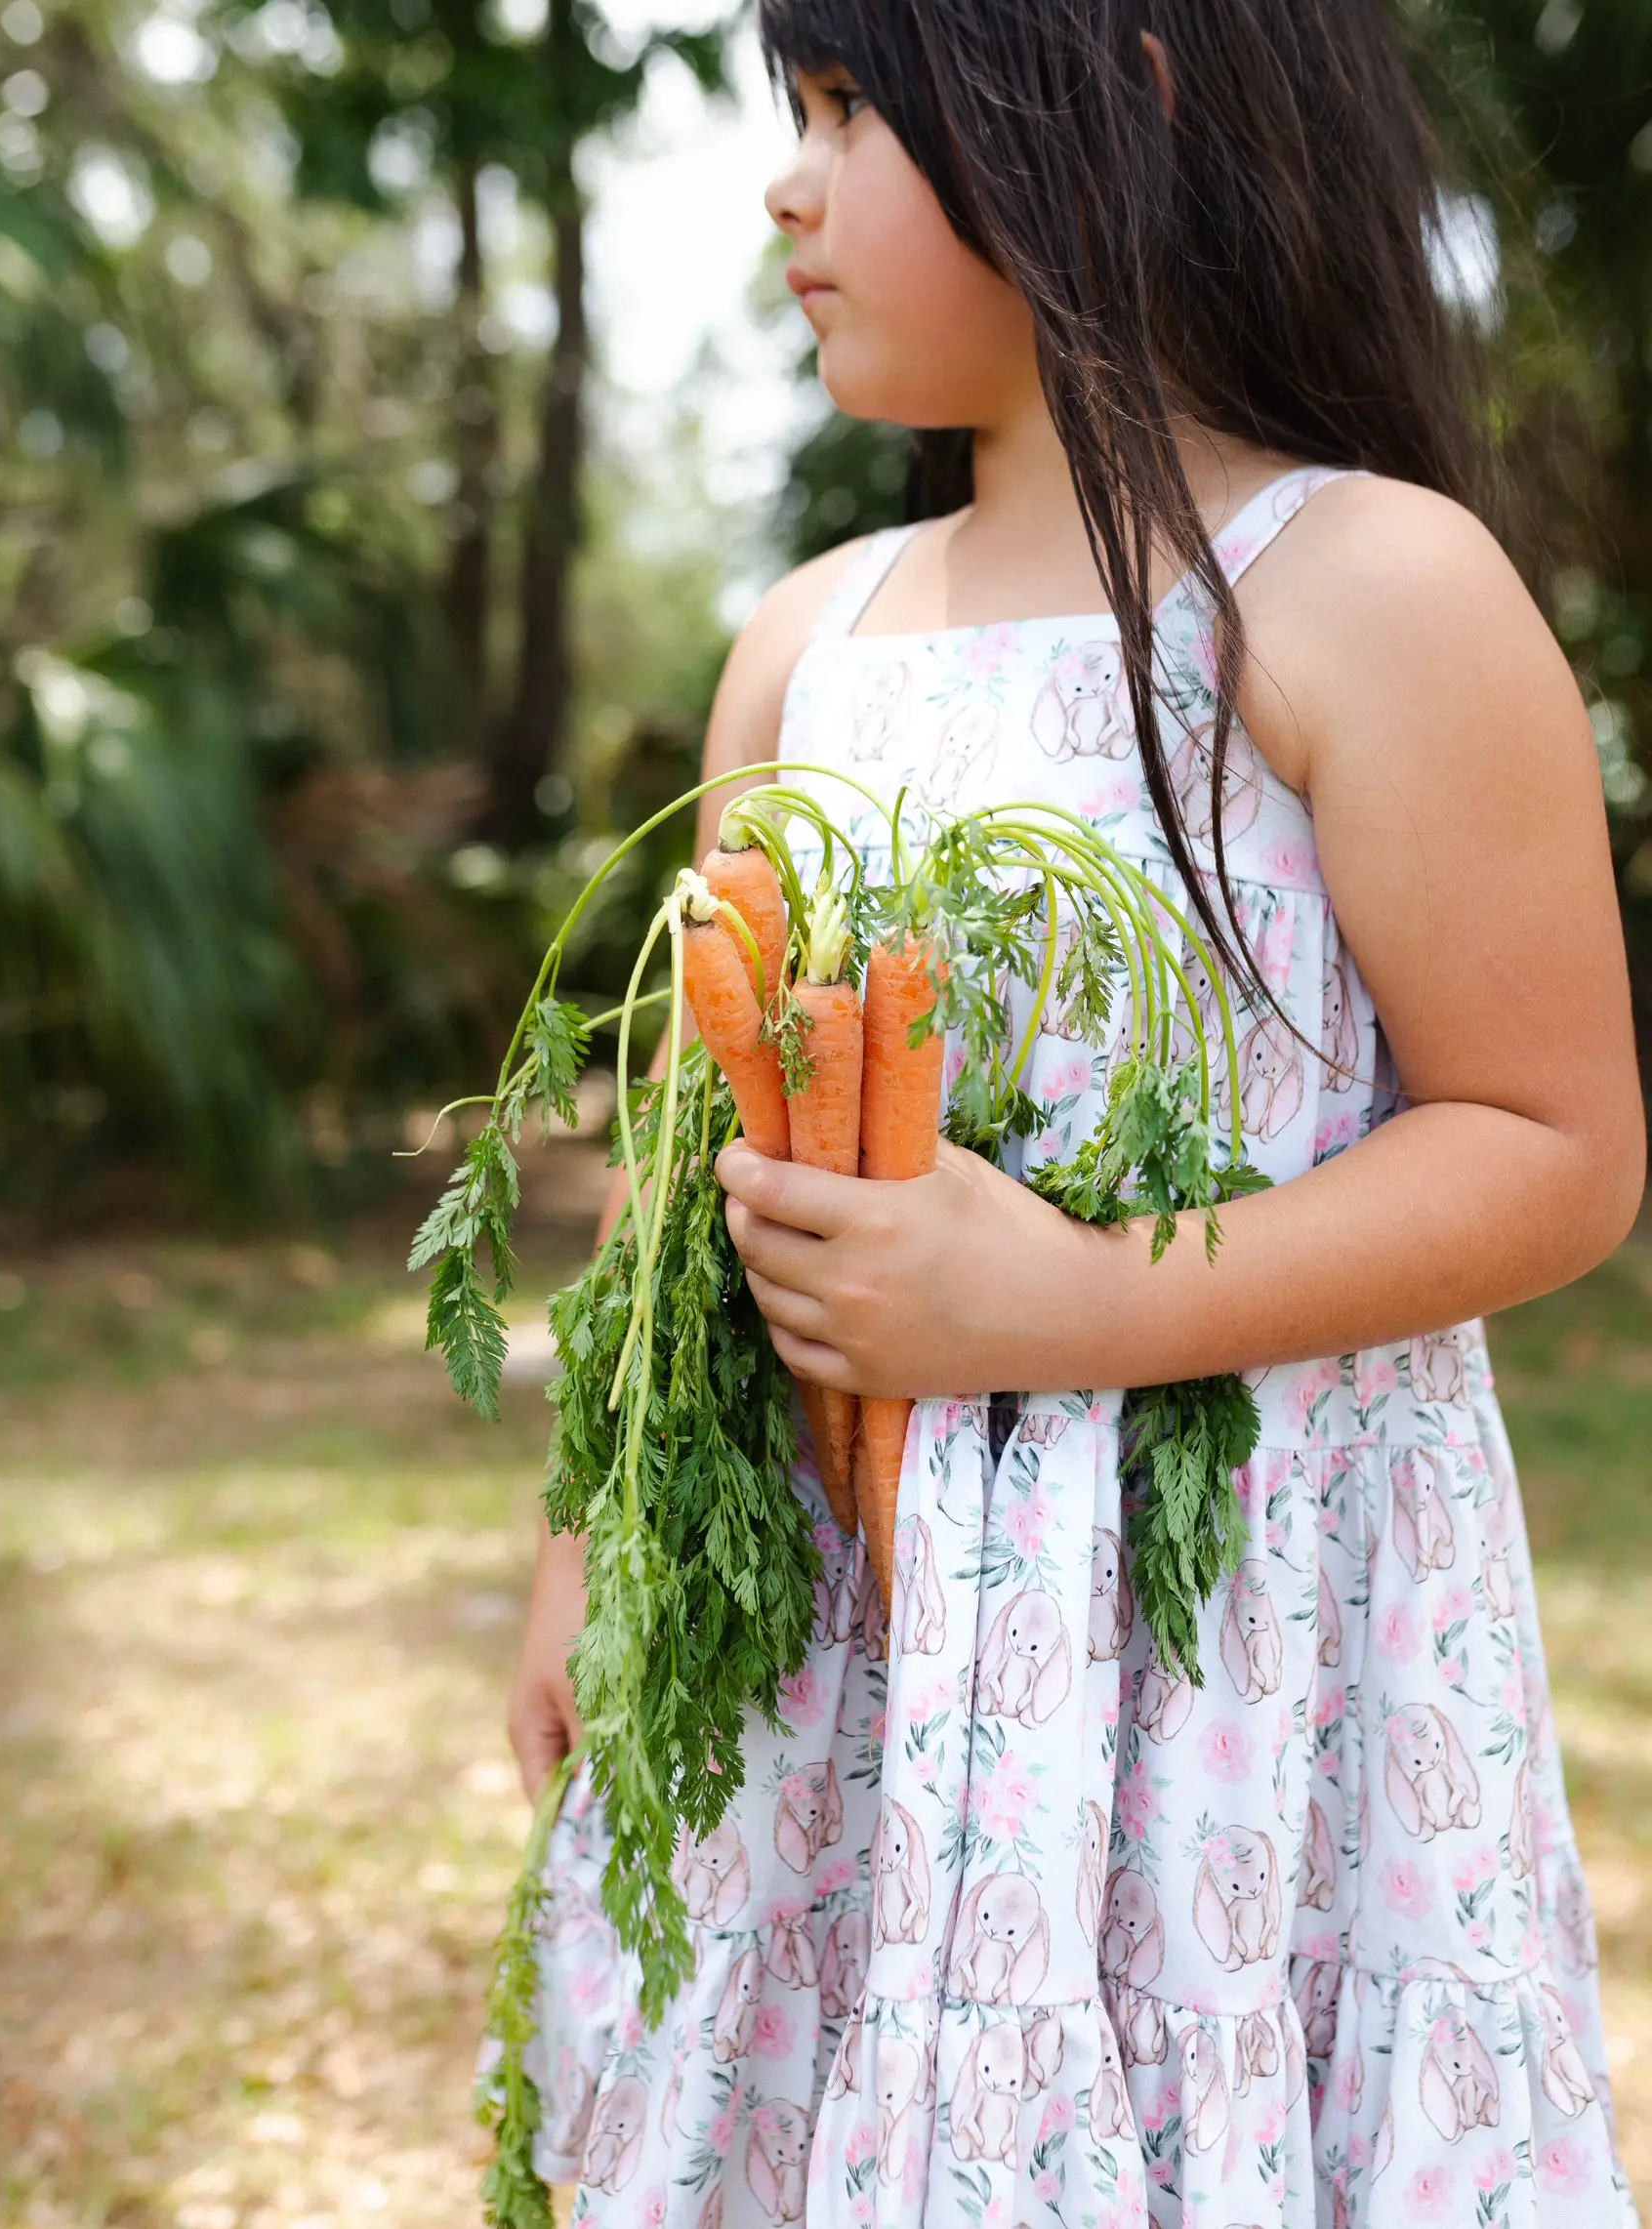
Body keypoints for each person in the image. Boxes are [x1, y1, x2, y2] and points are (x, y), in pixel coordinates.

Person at [507, 3, 1646, 2222]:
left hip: (1231, 1679)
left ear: (1104, 100)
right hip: (843, 1632)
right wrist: (582, 1545)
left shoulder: (1363, 589)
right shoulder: (806, 643)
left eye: (850, 111)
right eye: (794, 114)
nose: (787, 183)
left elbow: (1555, 1143)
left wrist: (1072, 1298)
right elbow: (690, 1179)